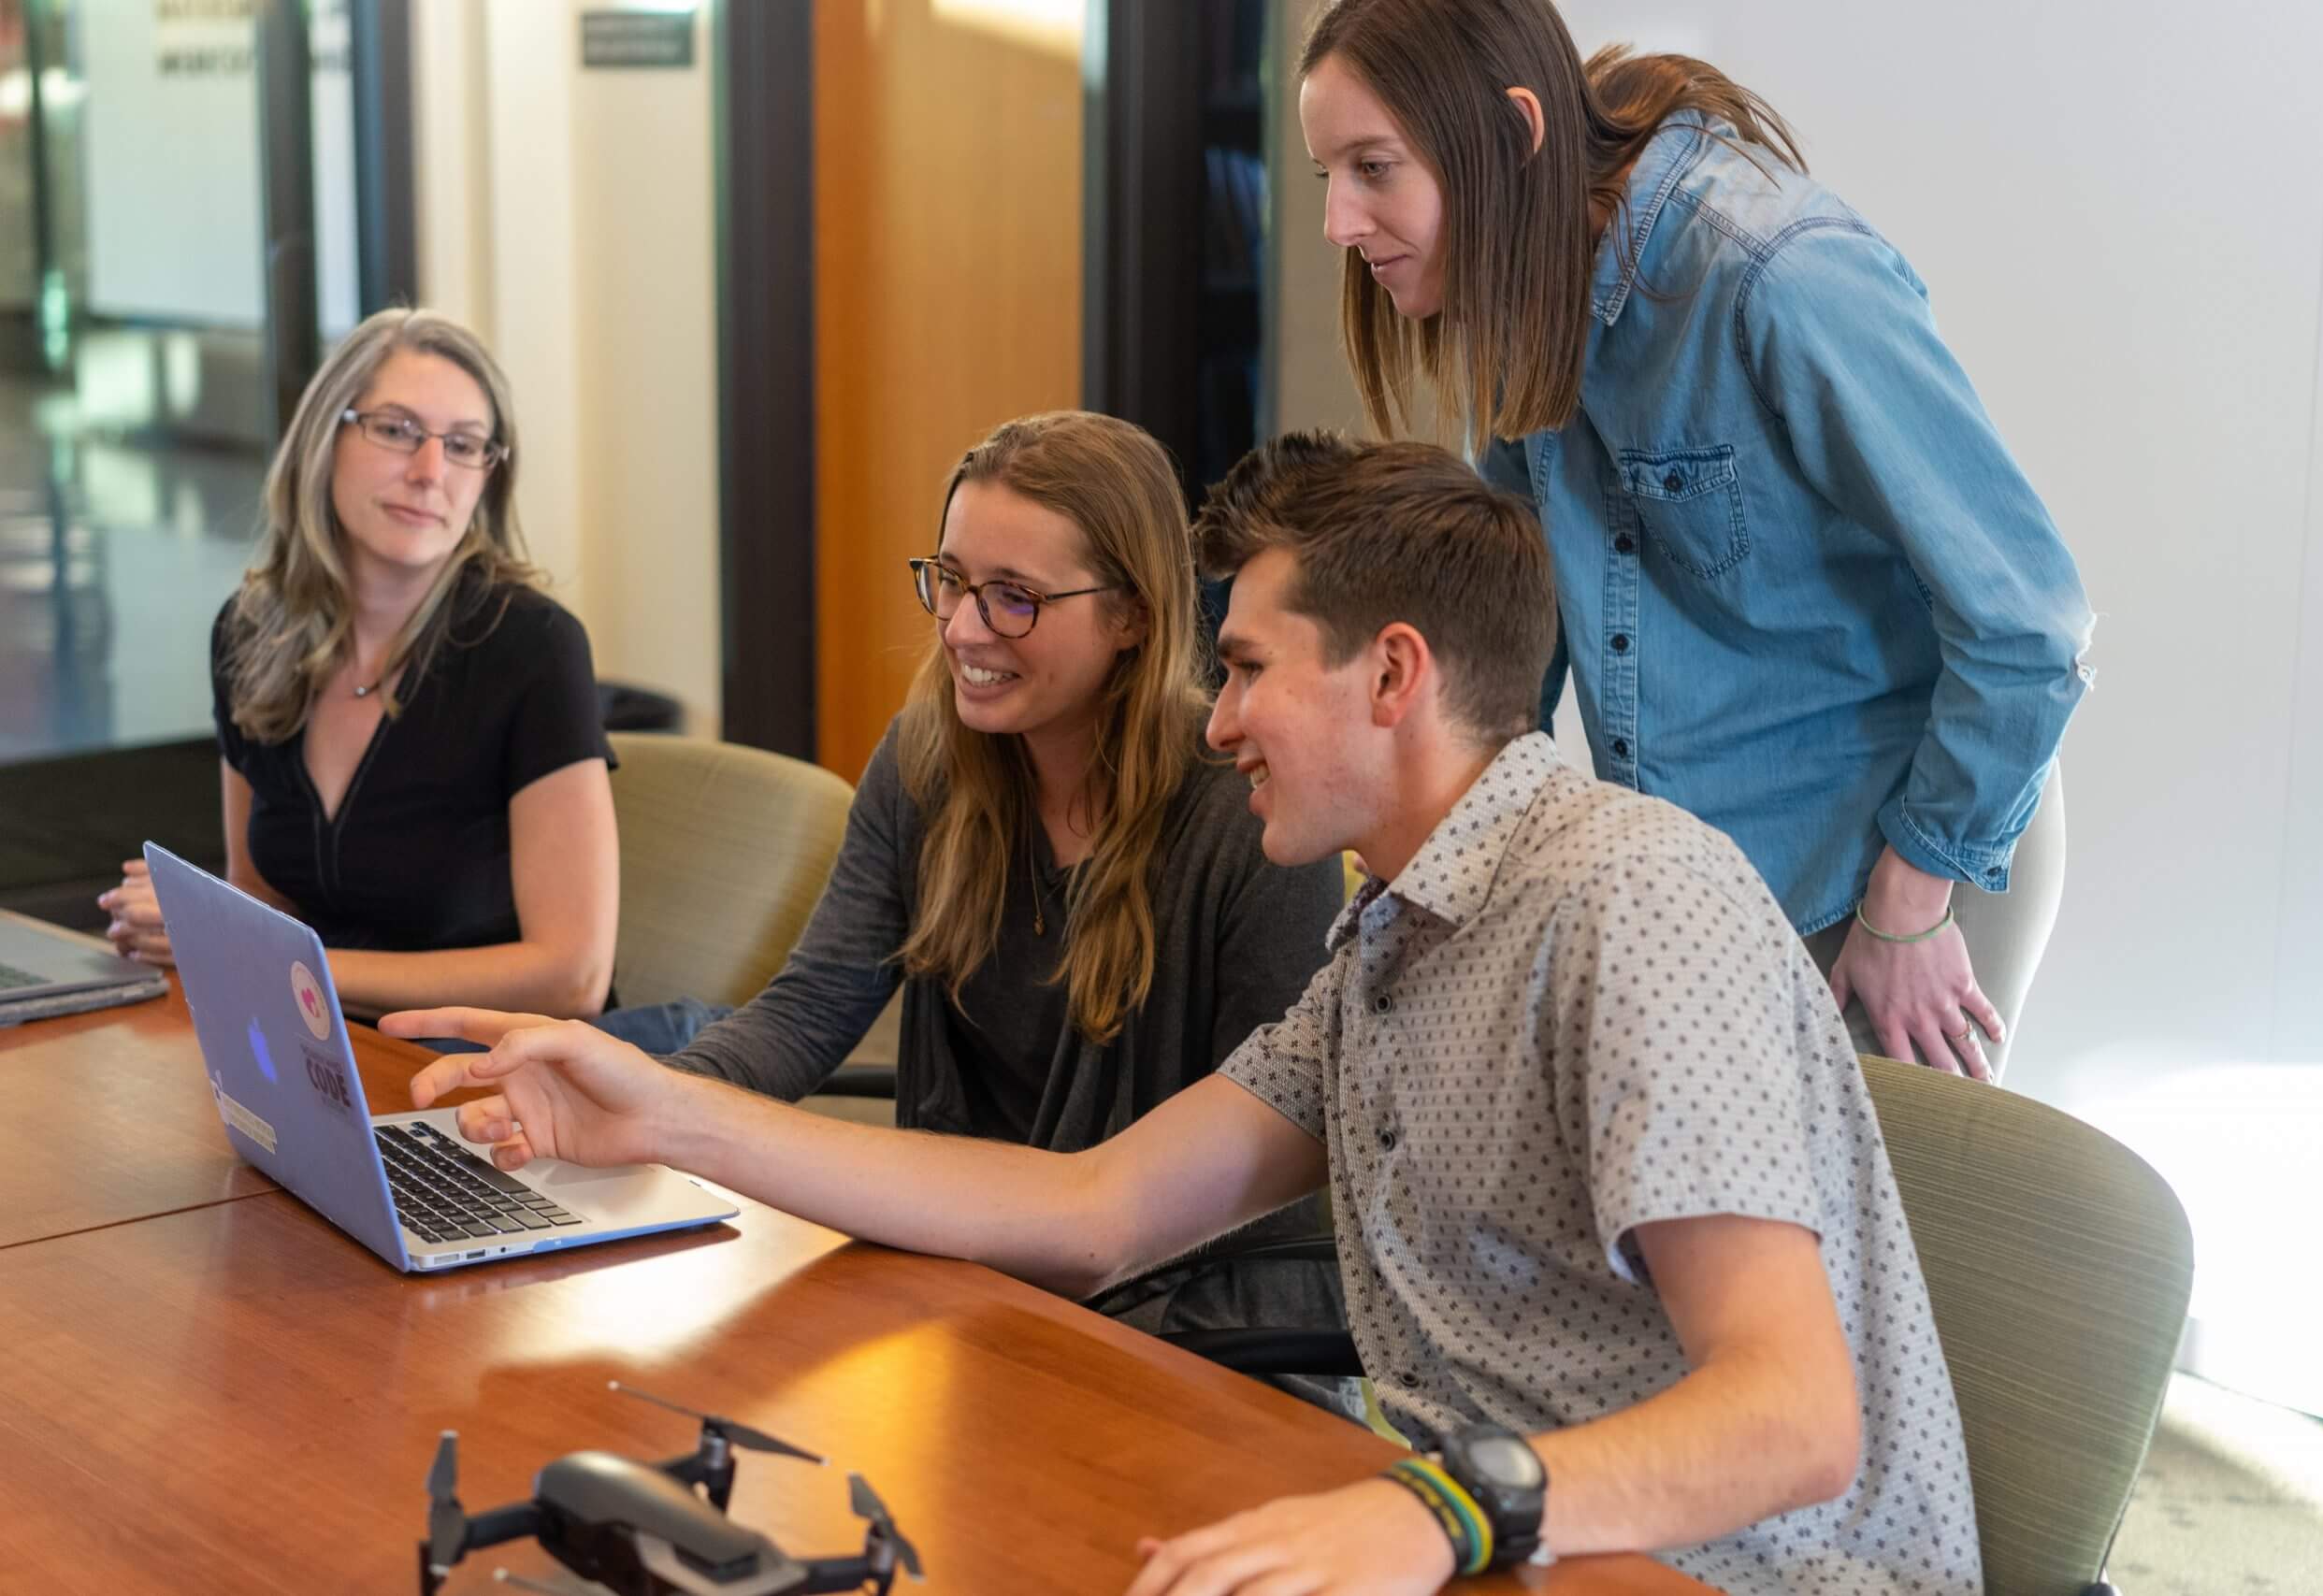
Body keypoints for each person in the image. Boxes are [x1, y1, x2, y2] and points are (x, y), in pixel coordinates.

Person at [388, 435, 1982, 1596]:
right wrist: (662, 1110)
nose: (1215, 722)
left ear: (1393, 675)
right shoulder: (1386, 943)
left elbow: (1793, 1419)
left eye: (1245, 670)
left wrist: (1436, 1508)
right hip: (1512, 1538)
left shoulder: (1627, 895)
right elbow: (1092, 1210)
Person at [397, 410, 1353, 1392]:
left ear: (1134, 615)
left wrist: (670, 1114)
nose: (961, 629)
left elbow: (1265, 1217)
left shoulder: (1251, 817)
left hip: (1184, 1336)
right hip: (960, 1279)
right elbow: (811, 1008)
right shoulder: (929, 757)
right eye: (949, 580)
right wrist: (639, 1093)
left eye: (1014, 599)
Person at [1296, 0, 2092, 1083]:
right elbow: (1510, 638)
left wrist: (1907, 904)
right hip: (1707, 884)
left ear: (1517, 132)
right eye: (1326, 176)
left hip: (1900, 866)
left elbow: (2028, 622)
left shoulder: (1778, 274)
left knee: (1876, 1245)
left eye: (1373, 169)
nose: (1339, 222)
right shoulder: (1523, 295)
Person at [96, 307, 617, 1019]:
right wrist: (191, 920)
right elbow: (260, 892)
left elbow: (572, 978)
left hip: (490, 1075)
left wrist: (271, 957)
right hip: (314, 1044)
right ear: (325, 438)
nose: (431, 471)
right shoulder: (249, 635)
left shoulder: (533, 646)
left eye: (464, 445)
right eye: (398, 430)